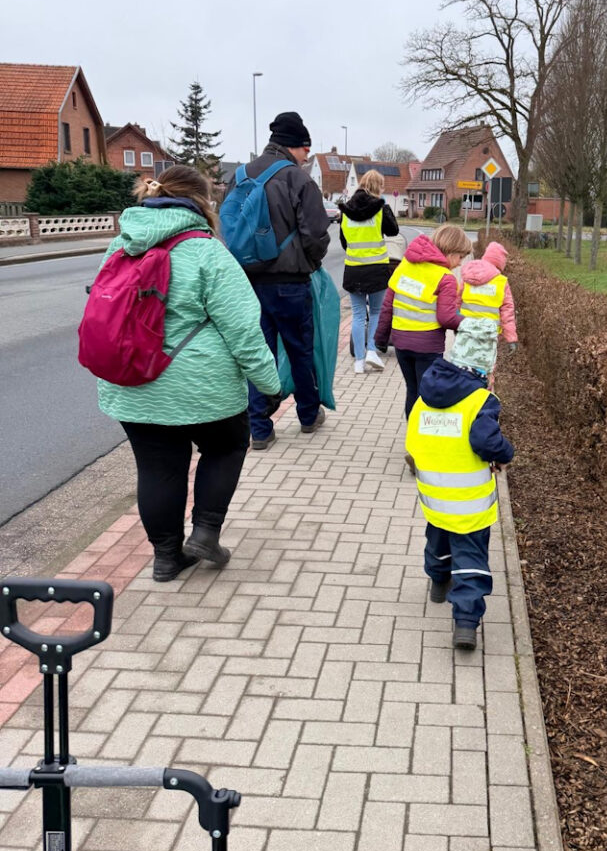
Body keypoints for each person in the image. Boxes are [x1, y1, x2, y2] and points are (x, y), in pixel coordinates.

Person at [96, 166, 282, 582]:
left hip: (132, 380)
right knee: (227, 446)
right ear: (202, 203)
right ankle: (205, 532)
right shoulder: (206, 251)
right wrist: (270, 385)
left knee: (157, 468)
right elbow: (244, 331)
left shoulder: (121, 245)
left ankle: (166, 559)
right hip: (201, 387)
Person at [405, 318, 514, 651]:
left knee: (437, 537)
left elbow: (413, 441)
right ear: (485, 366)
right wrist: (505, 453)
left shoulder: (426, 395)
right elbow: (486, 442)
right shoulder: (480, 401)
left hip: (434, 495)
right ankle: (465, 622)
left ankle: (439, 582)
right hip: (469, 502)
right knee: (470, 556)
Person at [241, 112, 332, 450]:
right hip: (290, 283)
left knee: (258, 355)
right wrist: (310, 264)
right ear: (295, 145)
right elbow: (315, 235)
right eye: (307, 150)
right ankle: (308, 415)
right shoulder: (298, 179)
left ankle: (260, 429)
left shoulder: (242, 175)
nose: (307, 157)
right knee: (299, 350)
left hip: (249, 284)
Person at [374, 223, 471, 418]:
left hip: (401, 343)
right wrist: (469, 323)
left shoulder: (405, 266)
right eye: (460, 257)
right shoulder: (445, 278)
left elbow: (387, 306)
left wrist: (381, 339)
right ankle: (422, 435)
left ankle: (411, 431)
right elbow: (446, 318)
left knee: (412, 390)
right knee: (427, 395)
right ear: (451, 251)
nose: (460, 264)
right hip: (428, 347)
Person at [338, 169, 399, 375]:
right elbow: (393, 231)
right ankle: (372, 350)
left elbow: (344, 242)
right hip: (376, 269)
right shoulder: (380, 208)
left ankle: (359, 361)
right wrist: (385, 208)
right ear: (378, 187)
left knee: (357, 315)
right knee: (375, 312)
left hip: (353, 269)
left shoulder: (346, 210)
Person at [459, 240, 518, 351]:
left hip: (465, 329)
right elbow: (507, 312)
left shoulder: (469, 276)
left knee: (463, 358)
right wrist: (511, 338)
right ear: (500, 263)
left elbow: (457, 300)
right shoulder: (501, 281)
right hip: (489, 334)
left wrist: (454, 322)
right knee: (484, 360)